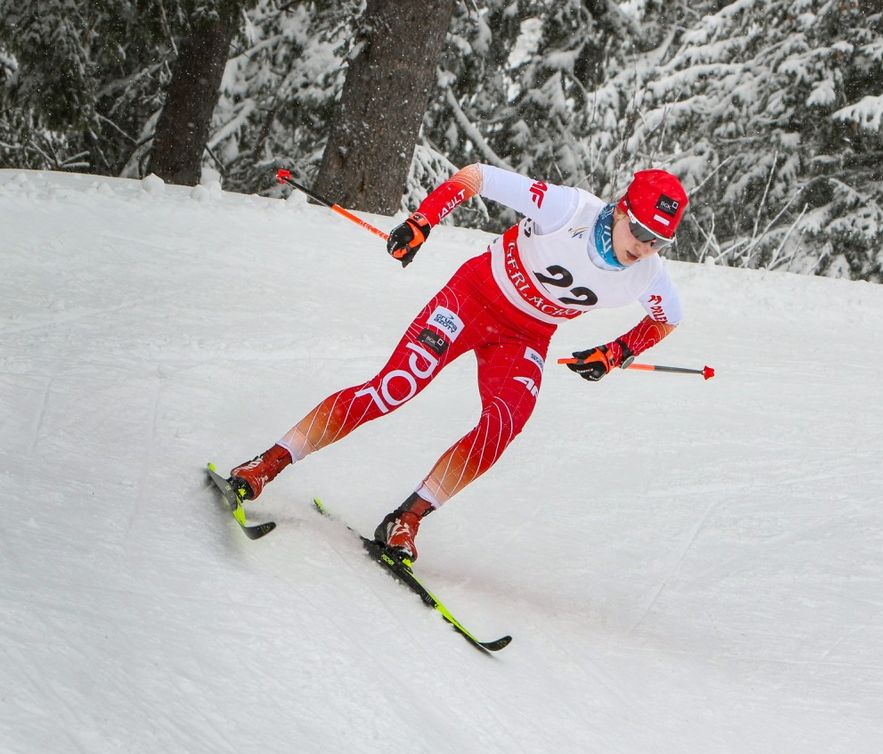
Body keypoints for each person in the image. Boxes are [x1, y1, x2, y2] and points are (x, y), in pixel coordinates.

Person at [227, 163, 687, 561]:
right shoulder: (567, 209)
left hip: (526, 336)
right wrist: (423, 221)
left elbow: (669, 319)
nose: (646, 248)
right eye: (642, 233)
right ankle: (265, 465)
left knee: (502, 425)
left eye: (659, 241)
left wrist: (618, 352)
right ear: (622, 209)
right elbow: (477, 177)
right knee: (396, 387)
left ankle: (407, 519)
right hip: (472, 299)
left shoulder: (648, 274)